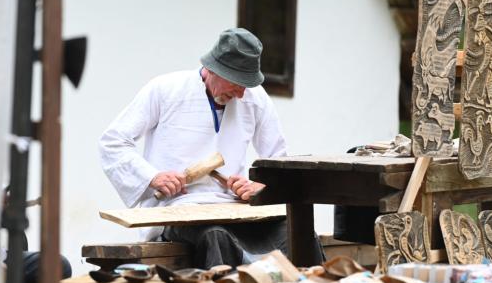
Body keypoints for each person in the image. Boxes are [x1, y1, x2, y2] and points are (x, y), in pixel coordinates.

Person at [99, 27, 324, 268]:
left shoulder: (255, 98)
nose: (241, 92)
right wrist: (153, 177)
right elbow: (113, 142)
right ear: (213, 69)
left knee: (297, 233)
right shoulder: (166, 89)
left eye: (247, 84)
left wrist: (260, 188)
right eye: (237, 82)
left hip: (235, 211)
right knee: (216, 236)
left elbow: (278, 163)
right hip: (179, 211)